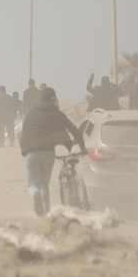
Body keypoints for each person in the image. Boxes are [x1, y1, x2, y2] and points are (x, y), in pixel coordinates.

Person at [20, 88, 86, 217]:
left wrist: (25, 150)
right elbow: (74, 129)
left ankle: (35, 194)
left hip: (31, 153)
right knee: (45, 185)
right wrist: (82, 147)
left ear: (40, 99)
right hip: (48, 152)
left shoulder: (32, 113)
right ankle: (46, 215)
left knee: (33, 184)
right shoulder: (57, 113)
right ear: (54, 100)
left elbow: (24, 134)